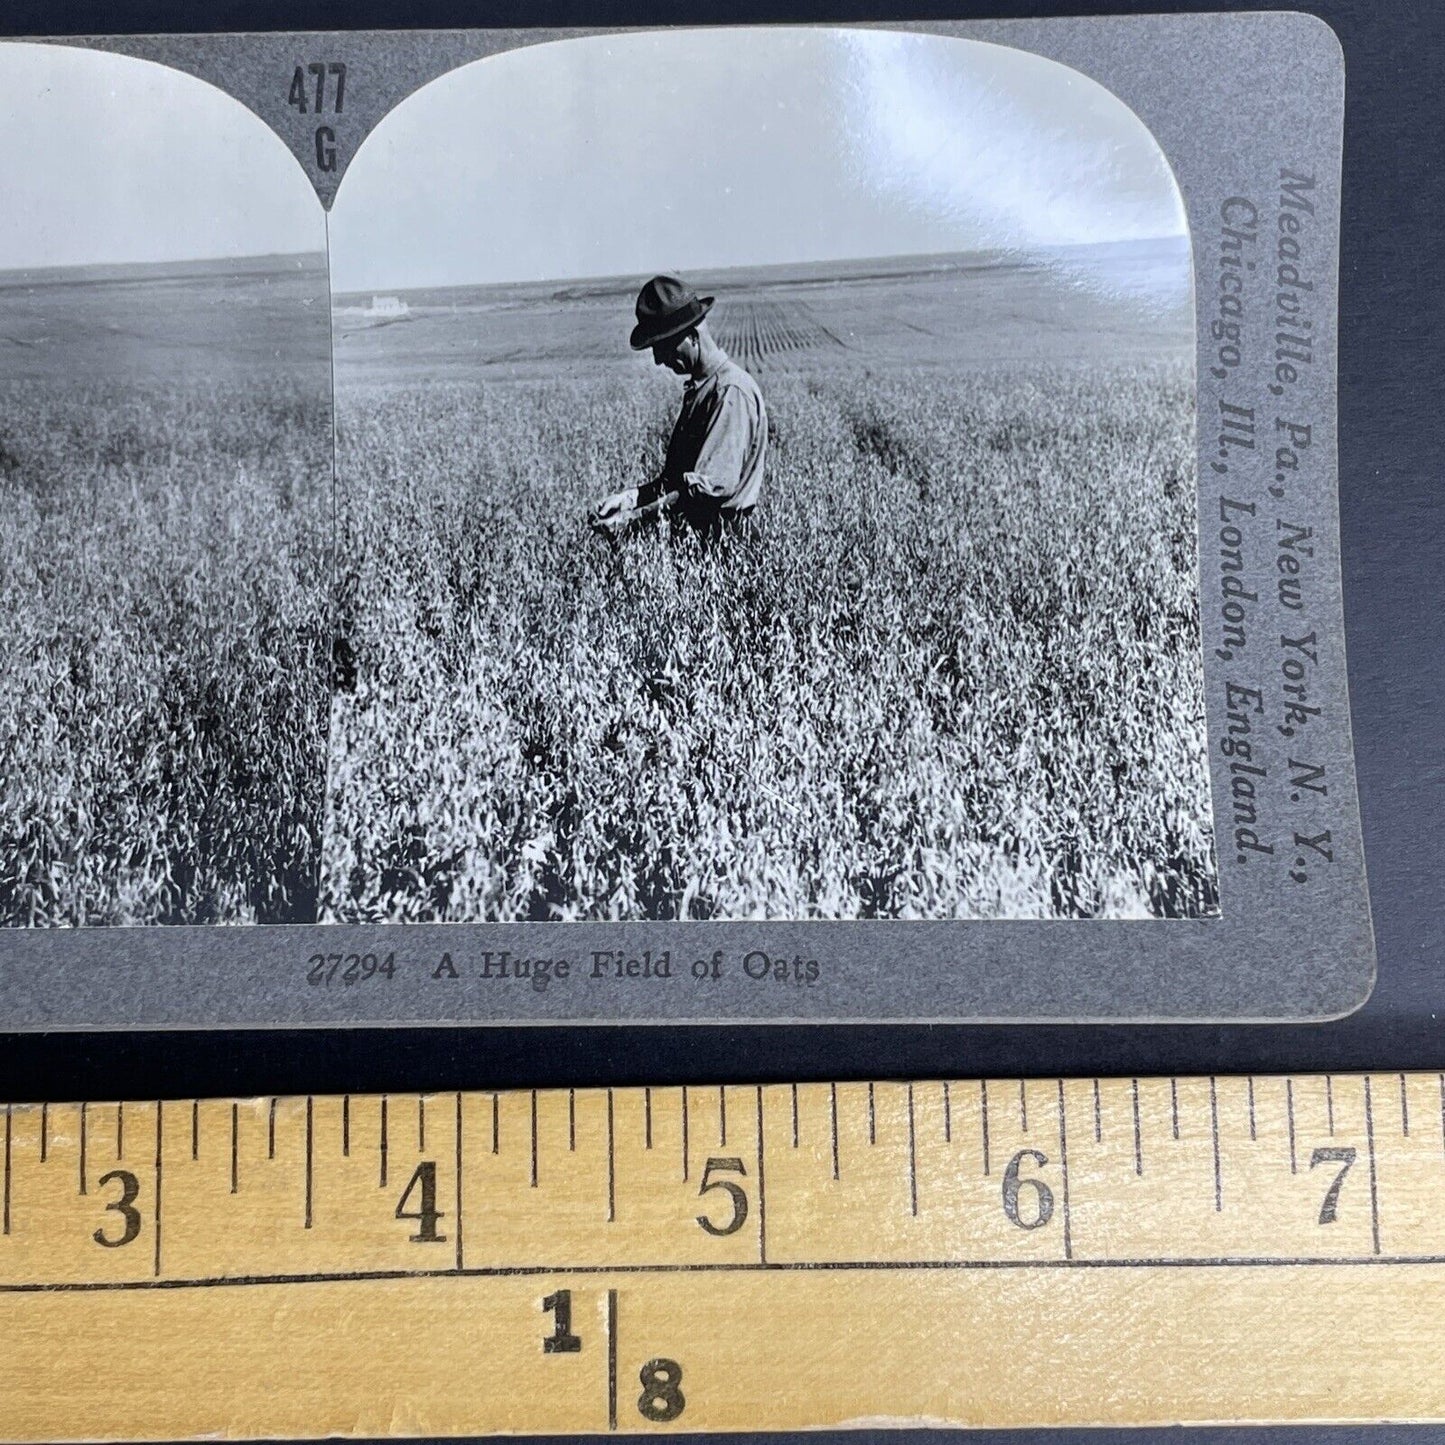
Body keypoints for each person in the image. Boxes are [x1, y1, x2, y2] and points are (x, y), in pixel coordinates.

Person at [590, 274, 767, 540]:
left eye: (663, 347)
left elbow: (709, 488)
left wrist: (634, 518)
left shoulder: (729, 392)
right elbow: (676, 482)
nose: (659, 360)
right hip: (703, 545)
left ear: (693, 336)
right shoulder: (704, 390)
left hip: (726, 547)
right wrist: (629, 500)